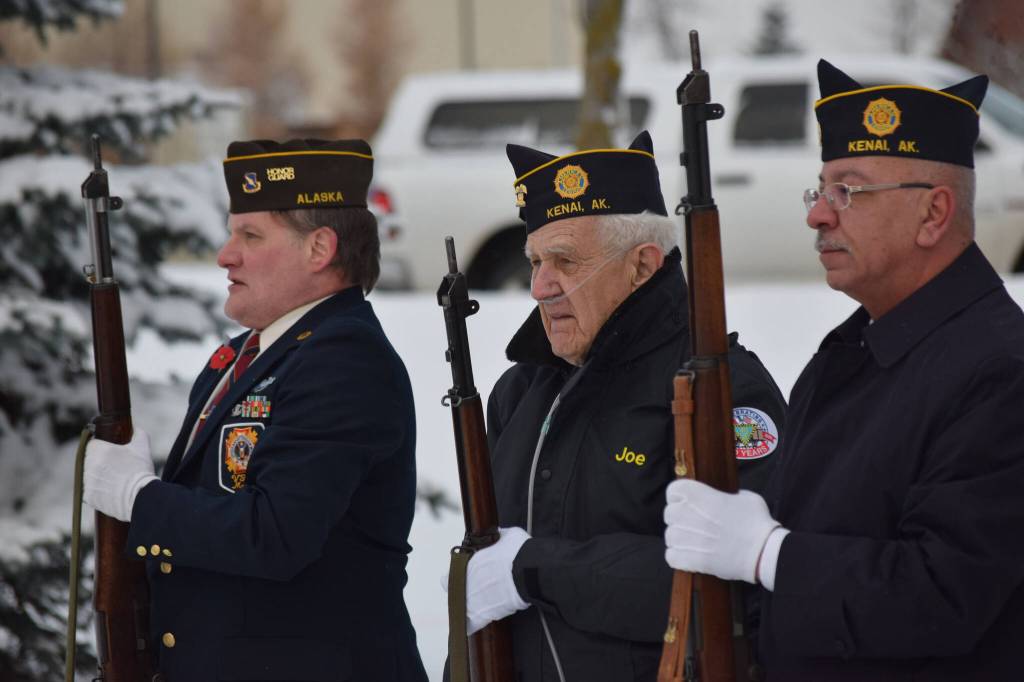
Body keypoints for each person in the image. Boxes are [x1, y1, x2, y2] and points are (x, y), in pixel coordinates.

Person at [664, 60, 1024, 680]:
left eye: (849, 192)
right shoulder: (851, 352)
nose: (818, 215)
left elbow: (943, 595)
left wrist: (769, 555)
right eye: (821, 190)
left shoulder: (1000, 372)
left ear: (934, 213)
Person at [442, 131, 787, 681]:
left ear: (643, 265)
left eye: (564, 261)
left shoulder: (723, 390)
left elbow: (730, 588)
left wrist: (533, 572)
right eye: (534, 261)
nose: (539, 286)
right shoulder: (521, 392)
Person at [83, 138, 428, 682]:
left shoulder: (343, 359)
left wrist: (140, 498)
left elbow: (275, 534)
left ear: (319, 249)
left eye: (250, 235)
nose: (225, 254)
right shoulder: (248, 356)